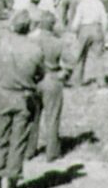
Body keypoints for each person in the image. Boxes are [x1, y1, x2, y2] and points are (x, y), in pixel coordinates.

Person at [0, 11, 45, 188]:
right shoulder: (35, 50)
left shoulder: (3, 45)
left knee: (1, 139)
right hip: (23, 97)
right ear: (29, 28)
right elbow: (41, 73)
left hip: (4, 94)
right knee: (18, 142)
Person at [26, 12, 74, 161]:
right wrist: (64, 74)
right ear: (52, 25)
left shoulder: (31, 40)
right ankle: (52, 152)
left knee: (31, 117)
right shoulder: (58, 42)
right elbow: (71, 62)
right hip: (52, 79)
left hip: (34, 81)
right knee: (52, 118)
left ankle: (28, 150)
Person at [70, 0, 107, 86]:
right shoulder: (99, 3)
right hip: (97, 28)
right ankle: (101, 81)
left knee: (80, 55)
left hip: (84, 29)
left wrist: (74, 30)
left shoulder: (82, 3)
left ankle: (77, 80)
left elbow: (77, 19)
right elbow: (104, 19)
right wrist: (103, 32)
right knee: (98, 57)